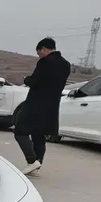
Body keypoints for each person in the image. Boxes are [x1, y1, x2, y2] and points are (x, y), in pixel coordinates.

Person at [14, 38, 71, 177]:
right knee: (38, 135)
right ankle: (37, 165)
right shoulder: (66, 65)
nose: (38, 55)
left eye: (38, 52)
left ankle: (31, 160)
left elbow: (35, 81)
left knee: (20, 131)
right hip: (52, 105)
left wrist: (26, 79)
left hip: (36, 104)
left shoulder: (45, 62)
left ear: (44, 49)